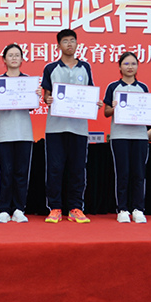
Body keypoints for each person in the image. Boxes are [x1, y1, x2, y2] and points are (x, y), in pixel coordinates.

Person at [41, 29, 102, 224]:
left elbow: (89, 92)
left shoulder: (85, 67)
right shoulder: (51, 68)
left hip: (79, 128)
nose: (69, 44)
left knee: (77, 169)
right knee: (55, 168)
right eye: (65, 41)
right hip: (55, 128)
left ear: (77, 44)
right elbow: (46, 95)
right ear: (58, 45)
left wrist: (95, 102)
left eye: (72, 41)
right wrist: (47, 99)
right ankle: (55, 208)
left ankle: (76, 208)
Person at [0, 44, 40, 223]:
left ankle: (19, 209)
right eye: (10, 55)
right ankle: (4, 209)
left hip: (24, 132)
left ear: (21, 59)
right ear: (4, 59)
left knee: (21, 172)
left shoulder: (28, 81)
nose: (13, 58)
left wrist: (35, 95)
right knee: (6, 172)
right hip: (4, 132)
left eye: (17, 55)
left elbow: (32, 107)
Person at [104, 52, 151, 224]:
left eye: (133, 63)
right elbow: (106, 112)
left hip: (140, 136)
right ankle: (122, 209)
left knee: (139, 174)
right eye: (126, 63)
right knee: (122, 173)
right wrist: (115, 108)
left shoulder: (143, 88)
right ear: (120, 66)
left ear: (138, 66)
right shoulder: (113, 87)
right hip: (119, 136)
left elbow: (148, 113)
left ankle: (138, 209)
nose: (130, 67)